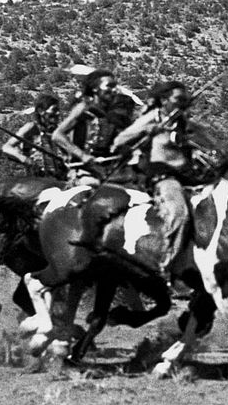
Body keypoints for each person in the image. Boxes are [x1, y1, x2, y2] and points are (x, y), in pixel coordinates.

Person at [112, 80, 193, 264]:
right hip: (164, 177)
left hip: (188, 175)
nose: (183, 102)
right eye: (178, 98)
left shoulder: (182, 121)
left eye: (184, 99)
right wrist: (148, 130)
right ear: (164, 100)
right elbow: (120, 139)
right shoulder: (152, 118)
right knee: (179, 214)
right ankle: (171, 262)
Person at [51, 69, 136, 185]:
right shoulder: (84, 108)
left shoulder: (112, 114)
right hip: (83, 172)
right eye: (109, 86)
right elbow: (57, 135)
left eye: (115, 86)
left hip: (107, 171)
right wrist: (82, 155)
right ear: (95, 89)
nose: (114, 90)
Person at [1, 92, 66, 179]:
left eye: (58, 110)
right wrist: (24, 159)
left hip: (56, 178)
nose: (58, 113)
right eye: (54, 110)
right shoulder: (31, 128)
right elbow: (6, 147)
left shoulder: (56, 131)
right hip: (36, 180)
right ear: (41, 111)